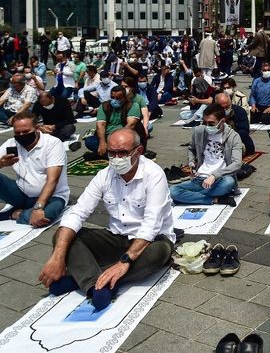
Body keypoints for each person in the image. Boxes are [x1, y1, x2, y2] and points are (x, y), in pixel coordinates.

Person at [38, 129, 175, 311]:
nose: (117, 158)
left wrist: (124, 262)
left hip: (150, 242)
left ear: (139, 151)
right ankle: (96, 284)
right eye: (112, 153)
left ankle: (86, 278)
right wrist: (58, 257)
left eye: (123, 153)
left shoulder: (154, 175)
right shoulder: (104, 175)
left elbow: (151, 225)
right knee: (63, 236)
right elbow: (78, 212)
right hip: (116, 237)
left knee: (158, 254)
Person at [0, 111, 68, 226]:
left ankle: (13, 215)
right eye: (17, 132)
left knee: (42, 217)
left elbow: (52, 180)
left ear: (37, 128)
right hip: (21, 194)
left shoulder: (52, 144)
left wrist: (38, 207)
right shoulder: (11, 143)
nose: (21, 135)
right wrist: (1, 163)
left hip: (52, 197)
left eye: (26, 131)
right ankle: (22, 213)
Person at [170, 105, 241, 206]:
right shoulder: (199, 131)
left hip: (220, 179)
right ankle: (215, 199)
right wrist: (191, 161)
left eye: (211, 123)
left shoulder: (233, 136)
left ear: (222, 121)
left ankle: (188, 198)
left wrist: (214, 176)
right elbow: (191, 149)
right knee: (173, 190)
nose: (207, 126)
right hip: (200, 179)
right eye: (205, 122)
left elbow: (237, 164)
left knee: (229, 182)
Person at [84, 86, 142, 156]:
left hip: (123, 138)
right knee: (90, 141)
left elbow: (130, 125)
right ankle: (117, 154)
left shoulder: (132, 105)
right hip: (107, 137)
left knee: (129, 144)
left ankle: (109, 154)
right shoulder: (104, 106)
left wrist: (116, 139)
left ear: (125, 98)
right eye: (112, 97)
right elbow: (100, 125)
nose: (114, 100)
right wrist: (102, 142)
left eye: (118, 98)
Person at [214, 91, 255, 157]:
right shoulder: (212, 113)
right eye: (222, 108)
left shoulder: (239, 111)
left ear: (230, 103)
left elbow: (244, 131)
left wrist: (228, 135)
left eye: (227, 107)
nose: (225, 110)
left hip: (236, 140)